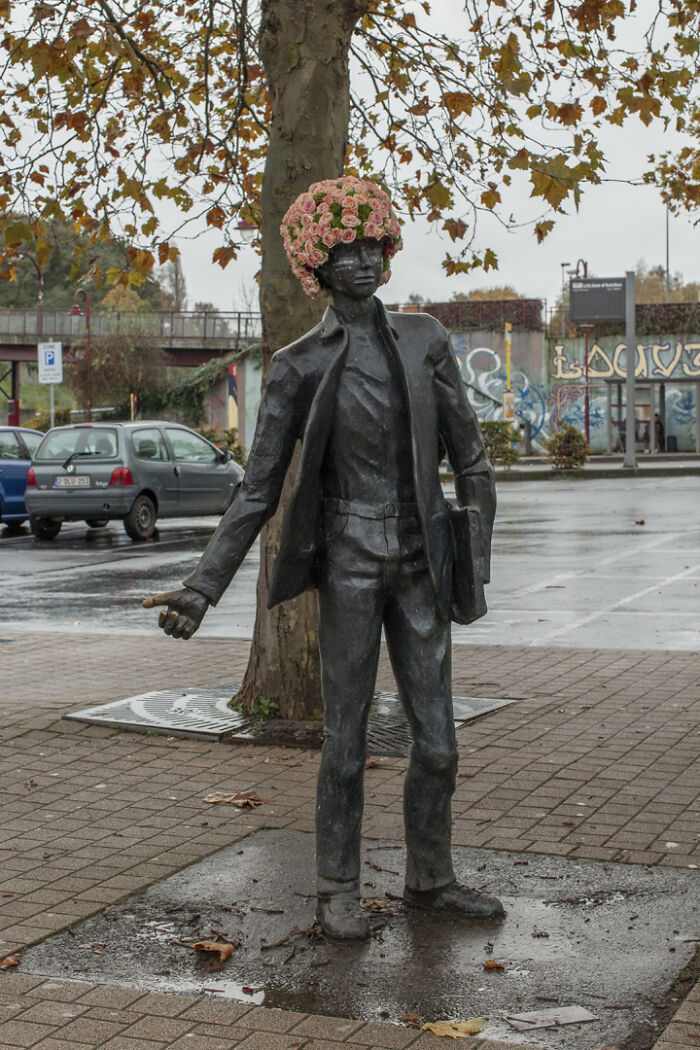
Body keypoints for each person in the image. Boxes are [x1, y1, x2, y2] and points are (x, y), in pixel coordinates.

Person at [145, 176, 505, 940]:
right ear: (318, 265)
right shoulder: (298, 363)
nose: (366, 260)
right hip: (347, 562)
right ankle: (337, 889)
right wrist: (201, 588)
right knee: (344, 744)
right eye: (347, 250)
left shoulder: (426, 340)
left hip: (421, 561)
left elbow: (472, 460)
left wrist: (474, 554)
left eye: (374, 245)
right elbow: (258, 489)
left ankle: (430, 881)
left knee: (437, 744)